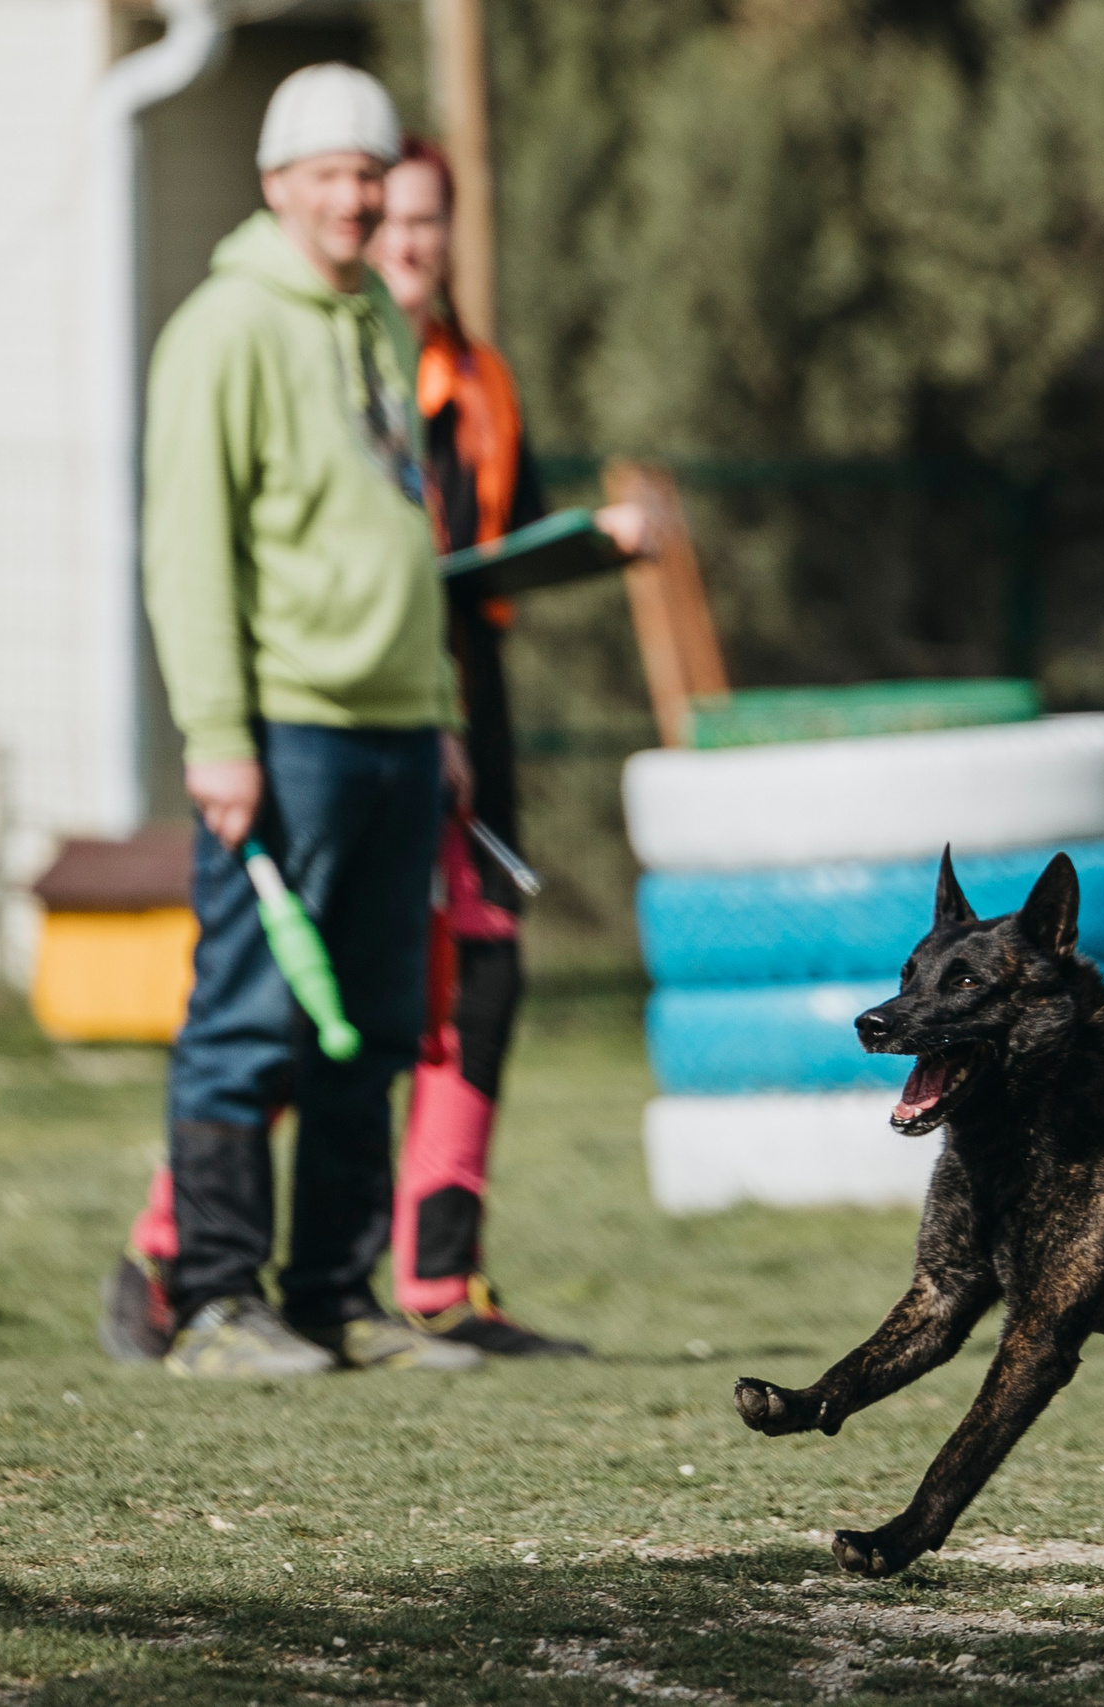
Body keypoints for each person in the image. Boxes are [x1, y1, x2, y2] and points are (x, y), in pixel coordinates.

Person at [98, 64, 478, 1377]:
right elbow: (188, 549)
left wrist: (438, 717)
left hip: (389, 731)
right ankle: (210, 1301)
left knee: (368, 1026)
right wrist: (216, 733)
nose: (357, 198)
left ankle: (333, 1295)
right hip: (286, 730)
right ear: (277, 186)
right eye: (331, 174)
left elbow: (402, 531)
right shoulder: (225, 327)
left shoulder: (375, 314)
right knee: (249, 1017)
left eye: (371, 175)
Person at [359, 135, 648, 1356]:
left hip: (470, 703)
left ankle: (438, 1282)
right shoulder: (341, 369)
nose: (412, 244)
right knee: (319, 991)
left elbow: (507, 538)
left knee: (481, 981)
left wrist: (595, 542)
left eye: (429, 220)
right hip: (364, 706)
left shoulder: (479, 375)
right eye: (391, 221)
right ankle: (175, 1258)